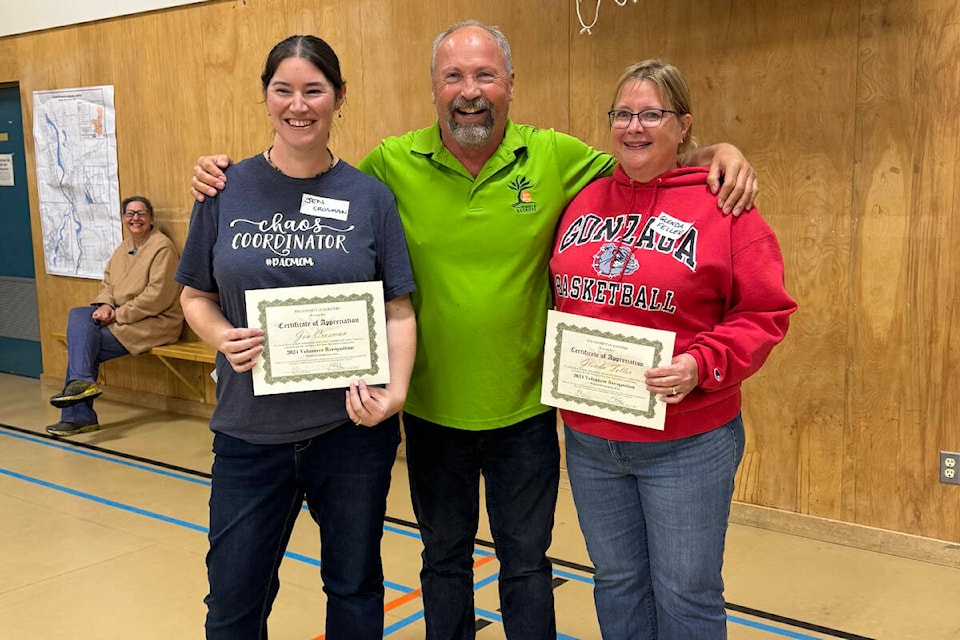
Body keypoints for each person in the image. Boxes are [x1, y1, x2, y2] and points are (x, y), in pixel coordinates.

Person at [190, 21, 758, 640]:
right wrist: (220, 173)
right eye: (454, 76)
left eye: (485, 75)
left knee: (526, 566)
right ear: (433, 88)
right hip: (432, 413)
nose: (470, 90)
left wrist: (716, 153)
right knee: (443, 562)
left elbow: (645, 157)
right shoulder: (387, 168)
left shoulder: (557, 157)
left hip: (525, 411)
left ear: (511, 84)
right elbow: (310, 186)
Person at [174, 35, 417, 640]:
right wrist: (221, 336)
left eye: (314, 90)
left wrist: (395, 395)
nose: (299, 104)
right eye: (284, 90)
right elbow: (194, 295)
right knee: (233, 601)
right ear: (265, 98)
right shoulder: (224, 189)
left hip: (350, 435)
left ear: (338, 98)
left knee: (355, 588)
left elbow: (399, 310)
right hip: (248, 434)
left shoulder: (370, 197)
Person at [549, 59, 797, 639]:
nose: (635, 127)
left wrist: (701, 363)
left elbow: (765, 312)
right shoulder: (581, 199)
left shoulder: (724, 205)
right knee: (615, 581)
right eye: (623, 114)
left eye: (652, 114)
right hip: (590, 438)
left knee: (686, 595)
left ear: (683, 126)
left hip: (686, 443)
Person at [46, 196, 183, 437]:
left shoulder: (163, 248)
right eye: (130, 214)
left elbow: (157, 297)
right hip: (122, 319)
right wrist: (105, 304)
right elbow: (107, 283)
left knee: (84, 345)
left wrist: (117, 314)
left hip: (154, 323)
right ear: (123, 219)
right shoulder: (124, 247)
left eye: (141, 213)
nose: (135, 218)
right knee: (79, 315)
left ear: (151, 218)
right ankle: (82, 385)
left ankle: (80, 416)